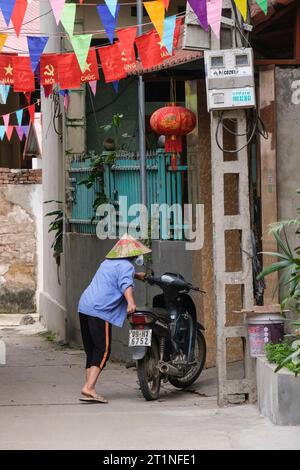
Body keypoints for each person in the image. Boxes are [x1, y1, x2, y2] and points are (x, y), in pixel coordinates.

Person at [77, 233, 151, 403]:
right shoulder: (127, 267)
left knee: (92, 350)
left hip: (84, 306)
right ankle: (88, 387)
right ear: (133, 254)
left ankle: (89, 387)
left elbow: (115, 276)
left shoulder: (107, 263)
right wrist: (131, 302)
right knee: (103, 350)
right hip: (100, 310)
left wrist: (135, 275)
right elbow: (125, 284)